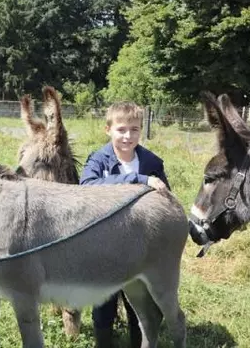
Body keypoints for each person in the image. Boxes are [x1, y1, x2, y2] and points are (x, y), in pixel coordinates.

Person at [80, 102, 170, 348]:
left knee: (139, 303)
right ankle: (104, 342)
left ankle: (137, 339)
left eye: (134, 129)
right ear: (107, 129)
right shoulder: (99, 160)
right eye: (121, 129)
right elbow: (86, 187)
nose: (128, 136)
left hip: (140, 247)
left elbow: (165, 201)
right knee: (103, 303)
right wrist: (139, 180)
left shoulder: (153, 162)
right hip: (104, 245)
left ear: (141, 130)